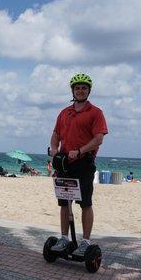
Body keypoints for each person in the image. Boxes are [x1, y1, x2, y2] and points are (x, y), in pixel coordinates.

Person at [48, 73, 108, 256]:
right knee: (64, 203)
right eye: (77, 88)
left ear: (88, 90)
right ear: (72, 90)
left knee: (85, 203)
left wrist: (81, 150)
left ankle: (85, 241)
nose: (80, 91)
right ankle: (64, 238)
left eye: (84, 88)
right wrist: (53, 149)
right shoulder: (64, 112)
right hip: (64, 163)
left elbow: (99, 139)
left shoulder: (95, 112)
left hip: (84, 162)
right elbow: (56, 134)